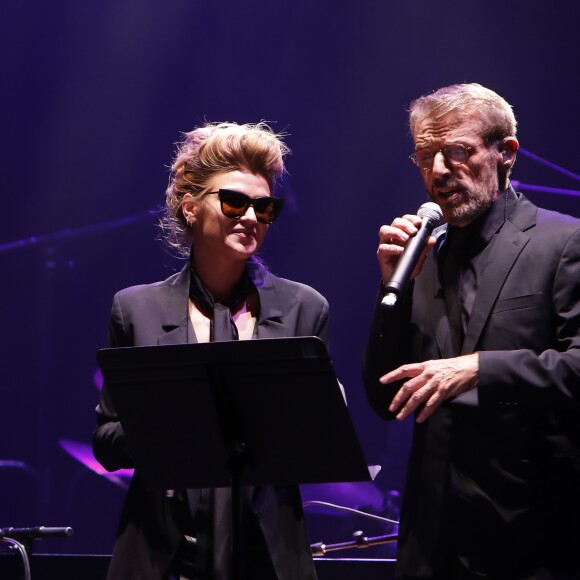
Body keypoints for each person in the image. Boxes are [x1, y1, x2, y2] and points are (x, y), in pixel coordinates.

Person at [93, 121, 328, 580]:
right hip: (163, 556)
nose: (251, 216)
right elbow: (106, 441)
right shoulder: (135, 308)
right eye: (234, 201)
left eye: (264, 207)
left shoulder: (305, 308)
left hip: (268, 558)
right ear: (190, 208)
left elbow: (314, 443)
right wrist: (178, 422)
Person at [363, 83, 580, 579]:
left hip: (534, 540)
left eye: (456, 152)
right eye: (425, 157)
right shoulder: (423, 257)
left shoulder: (564, 242)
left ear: (505, 153)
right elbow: (384, 397)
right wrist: (389, 292)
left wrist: (481, 368)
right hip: (432, 543)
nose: (438, 172)